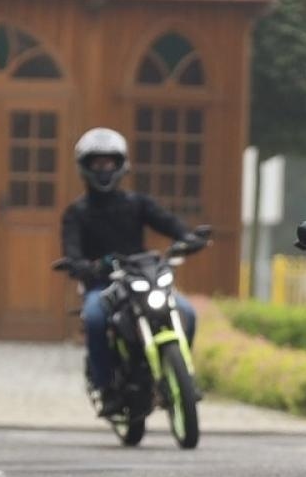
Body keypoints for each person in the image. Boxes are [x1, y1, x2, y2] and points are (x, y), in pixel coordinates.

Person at [61, 127, 204, 419]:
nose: (104, 169)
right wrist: (85, 266)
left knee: (187, 313)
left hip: (144, 279)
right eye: (97, 163)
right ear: (85, 167)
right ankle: (105, 387)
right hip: (103, 284)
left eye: (109, 162)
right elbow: (72, 255)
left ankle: (181, 374)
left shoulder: (137, 204)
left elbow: (171, 225)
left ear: (120, 165)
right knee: (95, 317)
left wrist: (188, 238)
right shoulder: (76, 213)